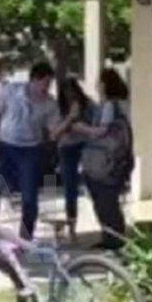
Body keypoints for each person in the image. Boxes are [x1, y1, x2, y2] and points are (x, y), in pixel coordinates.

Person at [0, 61, 59, 240]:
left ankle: (25, 237)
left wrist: (69, 121)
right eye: (44, 83)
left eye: (49, 84)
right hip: (6, 145)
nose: (46, 88)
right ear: (34, 79)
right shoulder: (11, 91)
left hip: (30, 150)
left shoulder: (49, 104)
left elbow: (53, 131)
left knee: (29, 196)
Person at [74, 69, 132, 250]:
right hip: (118, 160)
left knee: (105, 201)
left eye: (100, 82)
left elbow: (101, 131)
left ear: (106, 85)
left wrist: (80, 128)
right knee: (110, 201)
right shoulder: (122, 104)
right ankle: (113, 237)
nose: (98, 86)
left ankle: (113, 238)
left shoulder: (109, 106)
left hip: (106, 161)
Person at [54, 77, 97, 244]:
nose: (71, 96)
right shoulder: (59, 109)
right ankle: (72, 227)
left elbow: (96, 125)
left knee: (94, 183)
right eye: (66, 93)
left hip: (86, 146)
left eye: (73, 92)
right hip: (67, 149)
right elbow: (54, 133)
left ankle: (104, 222)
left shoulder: (89, 105)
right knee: (70, 189)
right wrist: (70, 118)